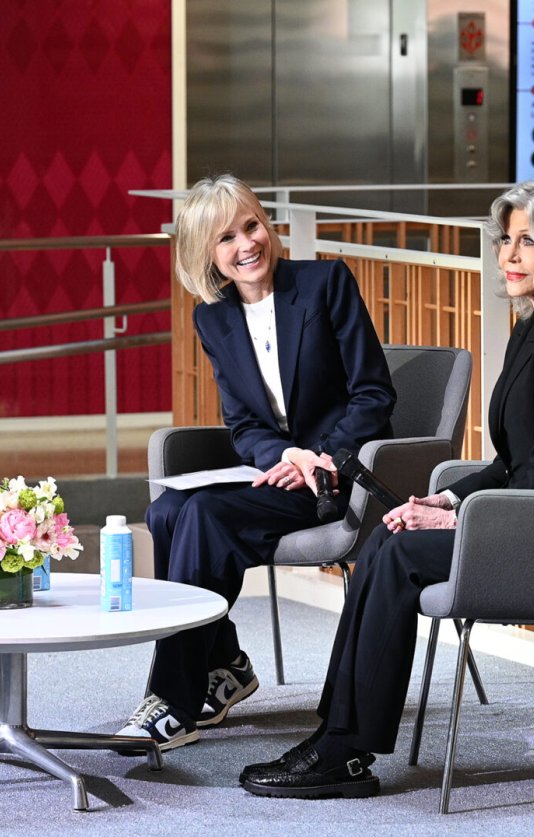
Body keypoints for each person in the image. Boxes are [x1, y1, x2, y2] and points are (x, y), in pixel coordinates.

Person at [239, 179, 534, 799]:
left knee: (396, 555)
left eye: (526, 241)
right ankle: (335, 735)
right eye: (506, 239)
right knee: (384, 539)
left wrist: (457, 521)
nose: (507, 254)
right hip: (530, 514)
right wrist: (446, 500)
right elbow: (515, 461)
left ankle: (346, 749)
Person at [123, 175, 396, 750]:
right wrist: (282, 454)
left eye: (252, 226)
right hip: (280, 471)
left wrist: (318, 456)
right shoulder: (213, 318)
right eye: (227, 238)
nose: (246, 245)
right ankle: (226, 665)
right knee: (171, 511)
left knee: (204, 519)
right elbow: (244, 424)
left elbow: (374, 394)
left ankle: (174, 702)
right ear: (207, 254)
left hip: (335, 476)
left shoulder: (325, 283)